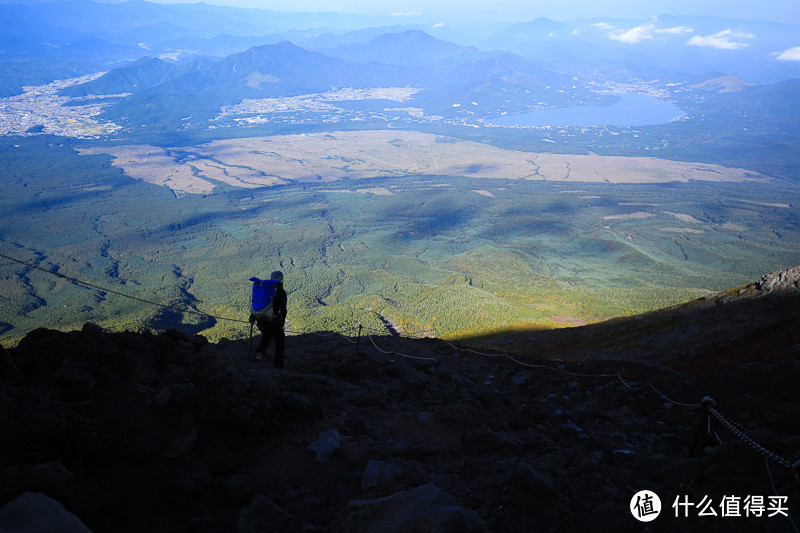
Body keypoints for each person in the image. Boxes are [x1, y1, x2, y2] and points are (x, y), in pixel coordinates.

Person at [250, 270, 288, 368]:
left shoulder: (266, 290)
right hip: (272, 322)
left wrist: (253, 316)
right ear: (282, 279)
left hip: (261, 321)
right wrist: (282, 322)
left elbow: (258, 304)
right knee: (280, 341)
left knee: (267, 334)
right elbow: (283, 310)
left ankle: (259, 354)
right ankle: (278, 365)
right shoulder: (281, 292)